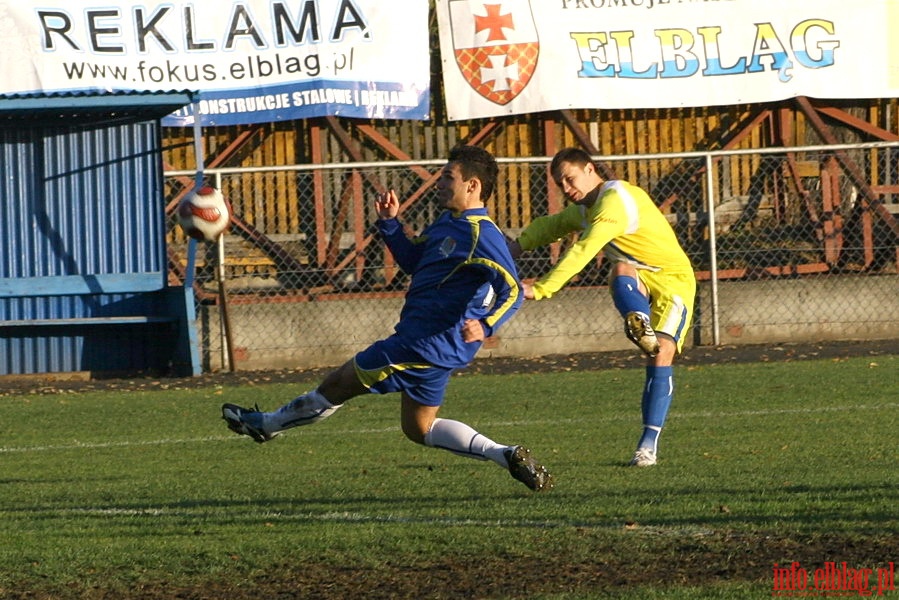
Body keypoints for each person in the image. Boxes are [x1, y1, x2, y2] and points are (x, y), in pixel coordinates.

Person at [222, 145, 553, 492]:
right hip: (433, 348)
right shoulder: (448, 223)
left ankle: (266, 424)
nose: (439, 183)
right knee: (419, 428)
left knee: (337, 384)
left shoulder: (482, 234)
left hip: (422, 345)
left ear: (472, 186)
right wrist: (391, 224)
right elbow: (413, 262)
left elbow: (512, 290)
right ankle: (505, 454)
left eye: (447, 177)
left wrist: (486, 325)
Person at [508, 147, 696, 467]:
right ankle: (638, 320)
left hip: (672, 281)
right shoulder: (586, 207)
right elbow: (551, 225)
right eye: (560, 184)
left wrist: (542, 288)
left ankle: (647, 445)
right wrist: (514, 246)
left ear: (590, 170)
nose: (566, 189)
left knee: (660, 353)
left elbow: (584, 249)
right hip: (638, 276)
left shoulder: (615, 202)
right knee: (621, 267)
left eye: (570, 179)